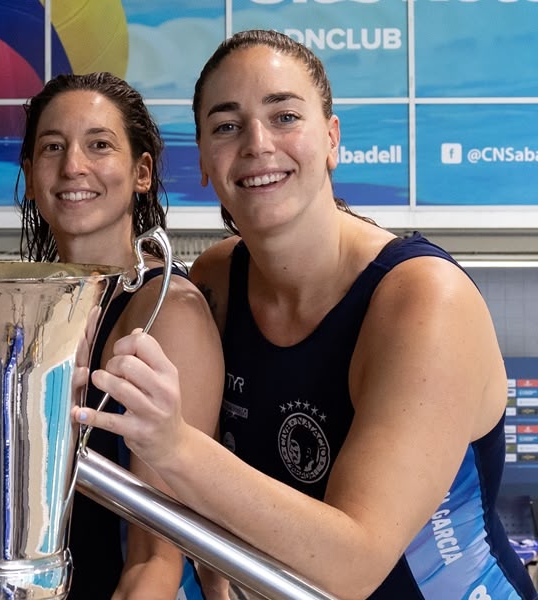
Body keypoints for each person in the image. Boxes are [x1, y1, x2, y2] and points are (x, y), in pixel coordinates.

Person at [78, 29, 538, 599]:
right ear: (203, 161)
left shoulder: (423, 302)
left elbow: (354, 564)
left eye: (285, 116)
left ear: (331, 139)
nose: (256, 144)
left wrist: (174, 446)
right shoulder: (218, 280)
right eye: (226, 126)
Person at [16, 72, 226, 600]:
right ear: (29, 171)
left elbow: (157, 556)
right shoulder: (26, 307)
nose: (73, 166)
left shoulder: (167, 313)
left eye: (99, 145)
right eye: (53, 147)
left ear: (141, 172)